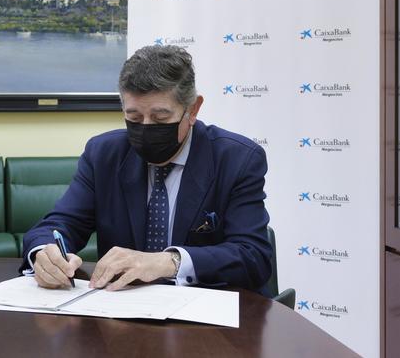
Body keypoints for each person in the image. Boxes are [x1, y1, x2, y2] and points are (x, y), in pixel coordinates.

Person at [22, 45, 272, 294]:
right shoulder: (103, 155)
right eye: (134, 118)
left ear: (193, 109)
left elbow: (253, 255)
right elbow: (61, 223)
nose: (146, 128)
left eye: (161, 118)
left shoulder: (237, 159)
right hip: (122, 306)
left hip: (206, 309)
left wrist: (169, 261)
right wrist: (45, 254)